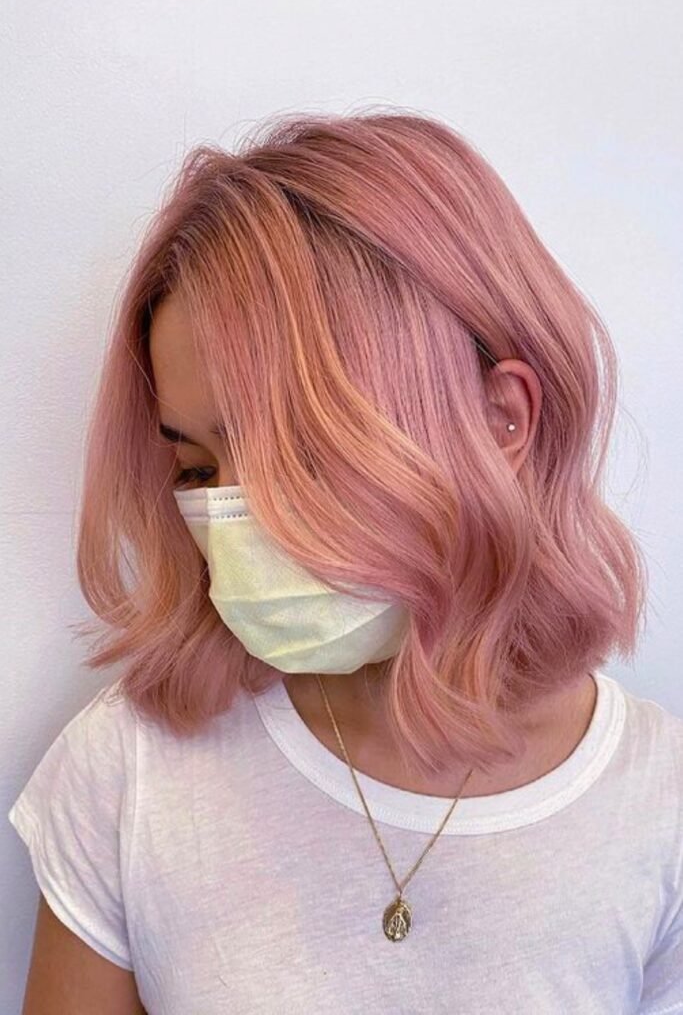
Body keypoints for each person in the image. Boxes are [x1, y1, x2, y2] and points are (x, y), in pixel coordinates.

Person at [8, 108, 682, 1014]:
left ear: (501, 419)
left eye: (300, 456)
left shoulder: (658, 809)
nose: (236, 524)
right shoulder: (132, 770)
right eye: (198, 470)